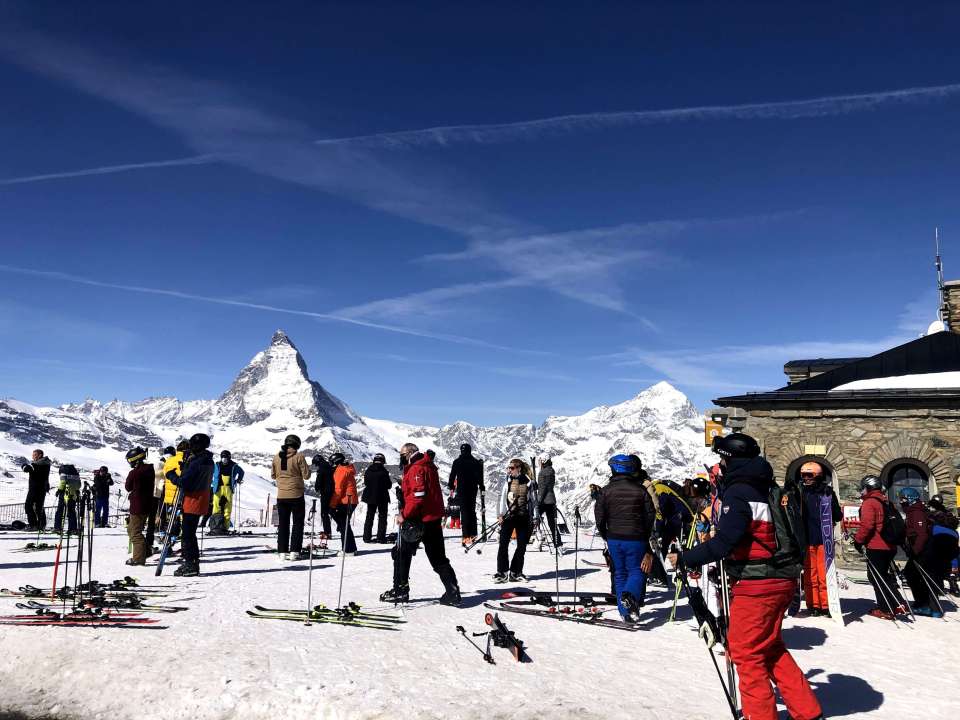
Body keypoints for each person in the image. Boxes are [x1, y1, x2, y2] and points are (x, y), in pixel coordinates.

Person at [667, 433, 823, 720]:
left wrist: (686, 558)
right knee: (770, 646)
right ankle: (807, 711)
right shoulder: (767, 486)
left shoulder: (739, 491)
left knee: (745, 652)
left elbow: (726, 542)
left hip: (757, 582)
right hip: (781, 577)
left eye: (722, 459)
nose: (720, 465)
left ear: (730, 460)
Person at [380, 443, 461, 606]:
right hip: (433, 519)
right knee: (438, 557)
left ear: (410, 453)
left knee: (400, 552)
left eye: (402, 453)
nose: (401, 457)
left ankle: (400, 590)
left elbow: (418, 497)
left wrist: (404, 514)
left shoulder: (417, 468)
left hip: (418, 520)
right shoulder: (428, 465)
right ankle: (453, 592)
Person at [594, 454, 656, 622]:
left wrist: (605, 534)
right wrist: (646, 534)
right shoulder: (640, 490)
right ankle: (630, 596)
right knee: (637, 571)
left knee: (619, 573)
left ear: (614, 469)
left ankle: (625, 612)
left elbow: (599, 516)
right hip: (636, 538)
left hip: (614, 537)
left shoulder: (605, 491)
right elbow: (650, 515)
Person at [853, 475, 907, 620]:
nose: (861, 491)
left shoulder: (870, 503)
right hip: (890, 545)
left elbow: (867, 525)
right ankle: (895, 603)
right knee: (883, 575)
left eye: (862, 488)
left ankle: (888, 607)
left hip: (877, 545)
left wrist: (858, 541)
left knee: (876, 577)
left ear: (868, 488)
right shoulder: (886, 501)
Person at [796, 461, 841, 617]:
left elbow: (837, 515)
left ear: (818, 476)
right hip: (807, 539)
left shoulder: (827, 492)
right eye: (803, 476)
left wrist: (831, 505)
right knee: (809, 574)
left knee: (823, 573)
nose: (806, 479)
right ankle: (813, 603)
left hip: (823, 539)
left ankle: (826, 604)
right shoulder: (800, 493)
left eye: (809, 475)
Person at [170, 433, 214, 576]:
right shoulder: (208, 460)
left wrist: (172, 476)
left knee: (188, 534)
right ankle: (192, 562)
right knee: (190, 533)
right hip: (202, 498)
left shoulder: (197, 462)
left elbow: (184, 482)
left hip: (192, 499)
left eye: (193, 445)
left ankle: (190, 564)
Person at [897, 487, 941, 617]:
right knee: (914, 575)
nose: (901, 502)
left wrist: (915, 550)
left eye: (903, 499)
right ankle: (925, 604)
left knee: (914, 575)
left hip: (923, 551)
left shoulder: (916, 512)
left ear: (910, 499)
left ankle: (925, 605)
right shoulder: (912, 511)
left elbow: (921, 535)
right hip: (920, 551)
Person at [495, 458, 534, 583]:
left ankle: (516, 572)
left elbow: (533, 501)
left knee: (521, 546)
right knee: (503, 544)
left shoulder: (528, 482)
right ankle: (502, 572)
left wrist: (535, 517)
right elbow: (501, 498)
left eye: (511, 468)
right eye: (508, 468)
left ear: (519, 468)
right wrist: (500, 514)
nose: (509, 470)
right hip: (508, 517)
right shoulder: (507, 481)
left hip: (523, 517)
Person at [272, 434, 310, 560]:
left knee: (283, 524)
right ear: (297, 445)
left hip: (281, 495)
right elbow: (307, 475)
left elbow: (273, 475)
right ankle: (295, 551)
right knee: (297, 523)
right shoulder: (299, 456)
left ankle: (282, 551)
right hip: (296, 495)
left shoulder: (276, 457)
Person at [448, 443, 484, 546]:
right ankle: (473, 534)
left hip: (462, 490)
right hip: (473, 489)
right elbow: (480, 477)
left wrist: (451, 485)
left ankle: (466, 536)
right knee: (471, 511)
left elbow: (452, 475)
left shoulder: (457, 462)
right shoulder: (475, 462)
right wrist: (481, 486)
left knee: (464, 512)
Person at [124, 447, 154, 566]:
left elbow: (128, 487)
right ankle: (145, 551)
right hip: (147, 504)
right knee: (132, 529)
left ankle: (138, 558)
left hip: (137, 506)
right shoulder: (149, 470)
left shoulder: (135, 473)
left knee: (135, 532)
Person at [926, 494, 959, 594]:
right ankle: (953, 583)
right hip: (952, 535)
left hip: (937, 534)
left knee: (935, 559)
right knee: (951, 555)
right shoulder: (947, 513)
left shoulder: (931, 513)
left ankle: (939, 586)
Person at [329, 452, 358, 555]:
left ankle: (348, 550)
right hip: (351, 500)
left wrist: (332, 505)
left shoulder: (340, 470)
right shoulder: (346, 469)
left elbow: (338, 489)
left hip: (346, 500)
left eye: (332, 463)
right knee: (344, 524)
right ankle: (351, 548)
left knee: (343, 525)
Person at [210, 450, 244, 535]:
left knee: (227, 508)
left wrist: (238, 480)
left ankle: (225, 527)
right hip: (218, 488)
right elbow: (210, 473)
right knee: (216, 507)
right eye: (222, 457)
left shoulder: (234, 466)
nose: (224, 459)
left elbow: (241, 472)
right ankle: (216, 527)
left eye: (225, 457)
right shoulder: (217, 465)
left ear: (229, 457)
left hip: (228, 488)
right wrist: (211, 482)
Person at [362, 453, 392, 543]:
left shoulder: (368, 470)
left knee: (369, 517)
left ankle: (366, 537)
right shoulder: (383, 471)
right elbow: (388, 485)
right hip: (382, 497)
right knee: (382, 517)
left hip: (370, 497)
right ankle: (381, 537)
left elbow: (366, 483)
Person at [22, 449, 51, 530]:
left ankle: (33, 525)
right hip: (42, 488)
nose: (33, 457)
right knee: (39, 507)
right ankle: (41, 525)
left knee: (28, 506)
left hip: (35, 489)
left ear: (40, 455)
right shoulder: (46, 464)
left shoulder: (37, 464)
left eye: (34, 455)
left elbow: (26, 469)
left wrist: (24, 464)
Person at [537, 456, 562, 549]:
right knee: (552, 523)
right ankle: (558, 543)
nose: (539, 463)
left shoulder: (542, 472)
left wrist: (538, 501)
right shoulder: (551, 471)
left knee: (534, 519)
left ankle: (529, 539)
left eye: (540, 461)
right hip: (551, 500)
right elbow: (547, 486)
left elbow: (543, 488)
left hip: (543, 500)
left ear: (544, 461)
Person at [312, 453, 334, 538]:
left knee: (324, 513)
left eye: (315, 463)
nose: (316, 466)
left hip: (325, 493)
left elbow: (319, 479)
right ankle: (327, 530)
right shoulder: (328, 466)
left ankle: (327, 532)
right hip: (332, 492)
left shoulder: (322, 468)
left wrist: (317, 487)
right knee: (328, 512)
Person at [54, 464, 81, 534]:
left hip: (64, 493)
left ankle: (57, 527)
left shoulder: (63, 473)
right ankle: (73, 528)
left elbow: (63, 483)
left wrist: (59, 490)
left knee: (60, 511)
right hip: (73, 494)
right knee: (71, 511)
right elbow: (79, 485)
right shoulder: (76, 474)